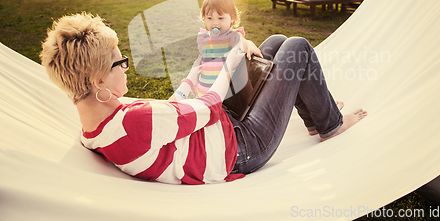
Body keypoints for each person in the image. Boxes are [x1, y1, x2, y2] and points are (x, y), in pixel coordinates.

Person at [40, 12, 367, 185]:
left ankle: (315, 113)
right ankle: (330, 124)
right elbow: (209, 103)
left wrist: (203, 71)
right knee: (295, 47)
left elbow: (171, 112)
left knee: (273, 43)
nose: (126, 67)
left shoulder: (94, 126)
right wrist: (231, 56)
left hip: (220, 125)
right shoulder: (132, 122)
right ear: (98, 79)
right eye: (119, 61)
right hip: (243, 145)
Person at [183, 0, 262, 99]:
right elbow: (204, 62)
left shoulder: (233, 37)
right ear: (204, 18)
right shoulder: (204, 38)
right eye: (209, 18)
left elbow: (245, 43)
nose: (215, 23)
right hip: (204, 91)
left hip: (225, 94)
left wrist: (251, 46)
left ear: (232, 18)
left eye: (220, 18)